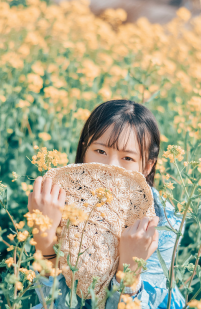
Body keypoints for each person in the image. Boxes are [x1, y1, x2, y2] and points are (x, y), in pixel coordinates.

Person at [29, 100, 185, 309]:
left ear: (147, 166)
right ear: (84, 149)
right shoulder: (56, 201)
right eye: (101, 151)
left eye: (127, 158)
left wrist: (129, 270)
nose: (111, 167)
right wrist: (44, 239)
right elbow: (51, 303)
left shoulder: (164, 223)